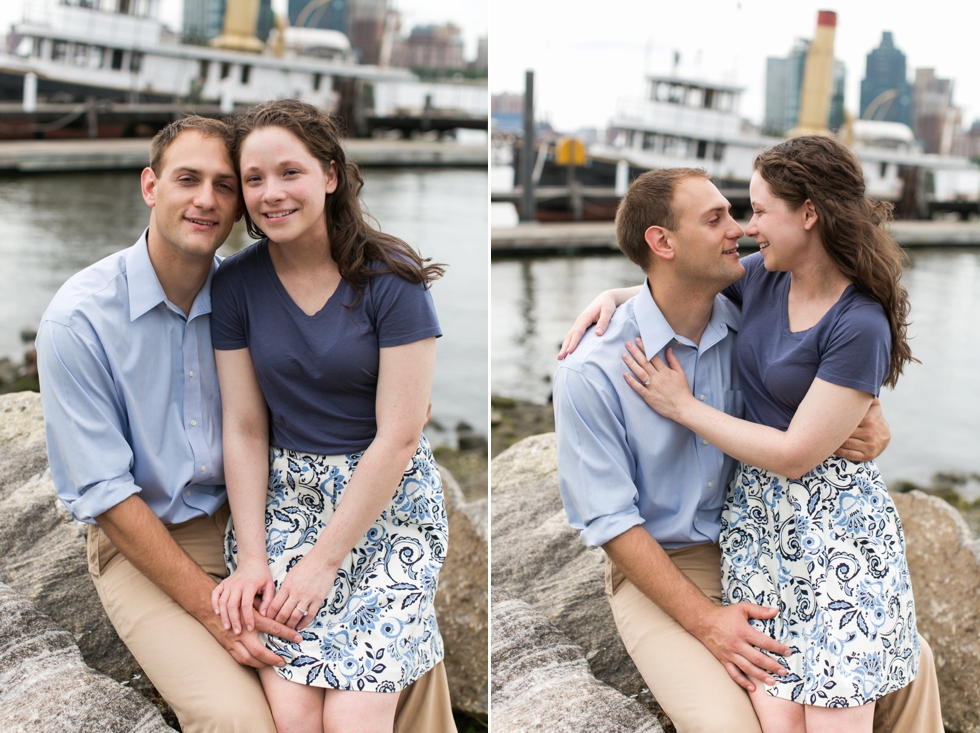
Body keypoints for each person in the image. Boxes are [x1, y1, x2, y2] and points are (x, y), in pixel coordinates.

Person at [36, 114, 455, 733]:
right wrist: (217, 608)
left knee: (410, 683)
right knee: (254, 721)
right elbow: (112, 492)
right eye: (188, 180)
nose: (207, 199)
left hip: (261, 511)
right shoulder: (81, 320)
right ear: (151, 186)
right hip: (156, 535)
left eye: (224, 185)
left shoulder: (246, 283)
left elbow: (385, 416)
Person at [553, 161, 943, 733]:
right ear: (661, 241)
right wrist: (708, 621)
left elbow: (828, 364)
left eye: (745, 212)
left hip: (764, 542)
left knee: (912, 664)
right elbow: (608, 521)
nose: (739, 228)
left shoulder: (748, 302)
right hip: (668, 564)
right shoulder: (592, 370)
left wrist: (873, 420)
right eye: (718, 218)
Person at [208, 99, 449, 733]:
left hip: (384, 512)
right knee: (291, 717)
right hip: (284, 506)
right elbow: (246, 426)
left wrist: (324, 563)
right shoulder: (234, 284)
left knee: (352, 723)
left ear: (331, 175)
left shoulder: (391, 280)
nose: (270, 194)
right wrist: (255, 558)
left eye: (290, 172)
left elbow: (399, 437)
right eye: (254, 179)